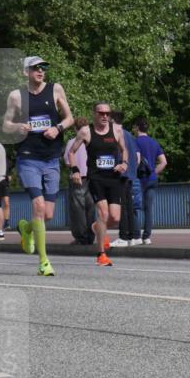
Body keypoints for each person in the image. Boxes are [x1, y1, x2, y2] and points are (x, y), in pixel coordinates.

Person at [3, 56, 74, 276]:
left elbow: (70, 117)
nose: (41, 71)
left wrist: (58, 128)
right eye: (35, 68)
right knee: (39, 207)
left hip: (51, 158)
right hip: (28, 158)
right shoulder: (16, 96)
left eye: (43, 67)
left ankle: (26, 228)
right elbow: (5, 125)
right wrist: (18, 126)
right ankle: (44, 262)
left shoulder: (56, 90)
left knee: (49, 214)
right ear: (25, 72)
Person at [68, 102, 130, 266]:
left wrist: (124, 163)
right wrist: (75, 170)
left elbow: (124, 149)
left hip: (114, 177)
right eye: (101, 113)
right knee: (103, 214)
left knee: (115, 218)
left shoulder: (116, 130)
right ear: (94, 114)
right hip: (96, 178)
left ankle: (97, 227)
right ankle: (101, 254)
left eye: (108, 114)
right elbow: (71, 152)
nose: (105, 116)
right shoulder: (85, 131)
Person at [109, 110, 141, 246]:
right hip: (130, 174)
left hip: (120, 174)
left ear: (112, 121)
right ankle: (134, 235)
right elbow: (137, 157)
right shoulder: (129, 135)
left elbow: (116, 153)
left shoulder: (116, 134)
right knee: (128, 206)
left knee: (121, 206)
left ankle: (123, 237)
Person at [133, 116, 167, 245]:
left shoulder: (135, 142)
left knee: (133, 207)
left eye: (134, 127)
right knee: (148, 209)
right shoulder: (154, 142)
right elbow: (164, 162)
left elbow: (136, 160)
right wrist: (153, 172)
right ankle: (146, 237)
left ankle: (136, 235)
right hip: (152, 179)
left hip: (139, 179)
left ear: (137, 127)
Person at [64, 116, 95, 245]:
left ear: (75, 128)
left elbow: (67, 161)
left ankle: (80, 237)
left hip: (77, 178)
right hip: (91, 177)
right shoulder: (91, 140)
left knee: (77, 209)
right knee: (90, 207)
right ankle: (90, 236)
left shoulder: (72, 142)